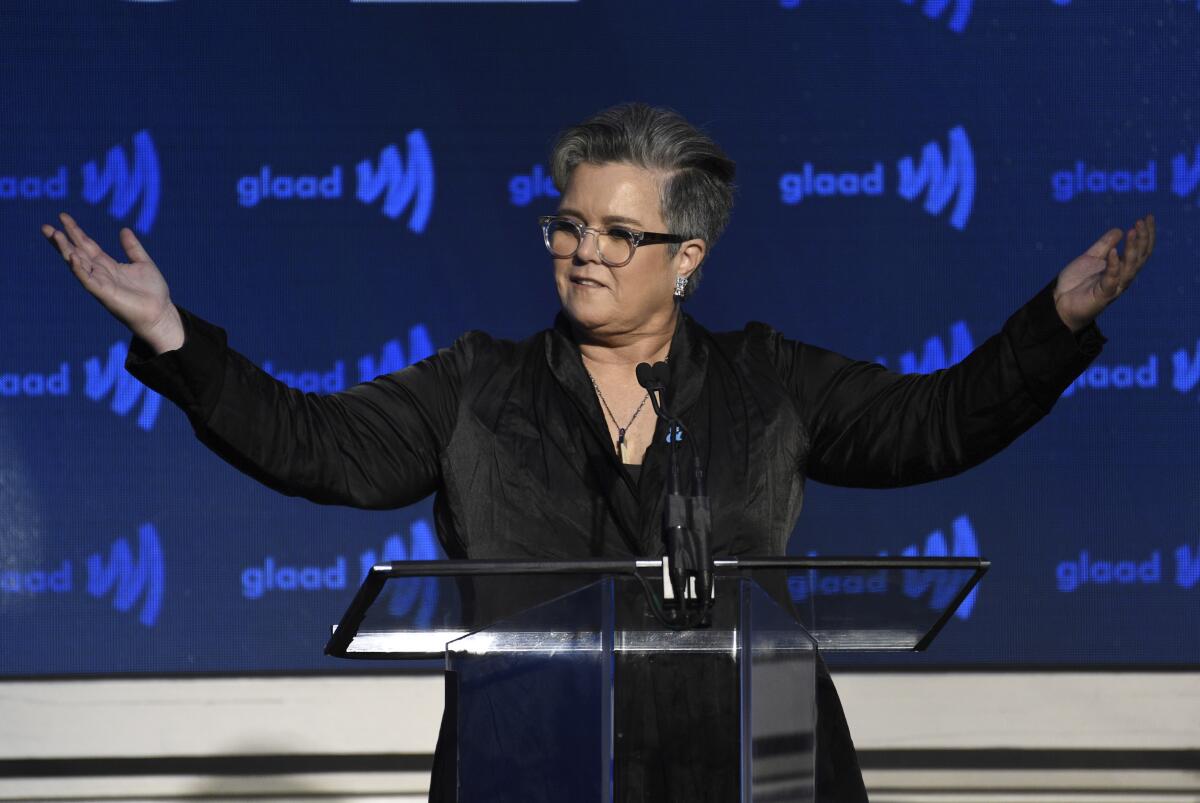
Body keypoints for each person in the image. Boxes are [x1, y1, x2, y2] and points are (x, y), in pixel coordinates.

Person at [43, 103, 1154, 802]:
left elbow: (936, 422)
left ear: (686, 259)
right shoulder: (478, 385)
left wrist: (1049, 326)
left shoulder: (769, 384)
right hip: (528, 767)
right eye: (569, 223)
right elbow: (314, 446)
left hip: (753, 764)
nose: (583, 250)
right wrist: (173, 340)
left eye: (620, 233)